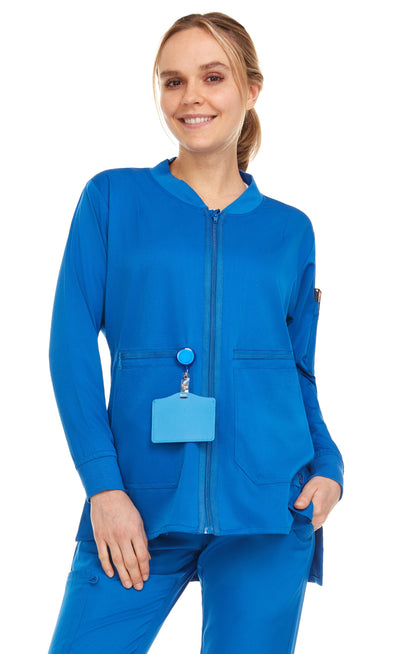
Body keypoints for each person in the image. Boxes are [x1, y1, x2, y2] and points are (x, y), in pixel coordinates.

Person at [47, 11, 344, 654]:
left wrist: (329, 463)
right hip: (138, 505)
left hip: (270, 509)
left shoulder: (290, 230)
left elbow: (297, 370)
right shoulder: (111, 200)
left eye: (213, 77)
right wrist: (103, 487)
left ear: (251, 89)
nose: (191, 98)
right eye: (173, 81)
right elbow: (69, 349)